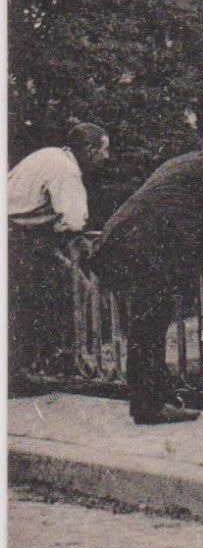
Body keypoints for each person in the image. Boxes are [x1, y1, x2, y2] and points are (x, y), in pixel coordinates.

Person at [87, 122, 203, 425]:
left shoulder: (183, 162)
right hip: (147, 255)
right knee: (148, 330)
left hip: (124, 246)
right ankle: (149, 407)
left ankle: (159, 396)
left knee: (145, 328)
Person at [7, 123, 111, 390]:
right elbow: (74, 220)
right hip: (19, 237)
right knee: (78, 289)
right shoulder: (67, 171)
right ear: (89, 150)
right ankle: (65, 361)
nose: (106, 157)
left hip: (18, 234)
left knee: (31, 300)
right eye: (104, 149)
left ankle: (39, 364)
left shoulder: (50, 155)